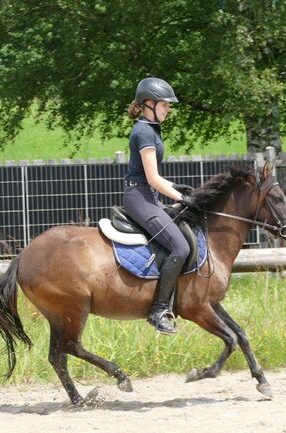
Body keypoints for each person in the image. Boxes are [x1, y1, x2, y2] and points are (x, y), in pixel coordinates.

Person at [123, 77, 197, 335]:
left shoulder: (151, 129)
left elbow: (153, 178)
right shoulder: (144, 131)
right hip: (139, 198)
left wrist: (178, 188)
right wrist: (180, 198)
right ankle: (158, 311)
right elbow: (152, 178)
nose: (168, 109)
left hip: (147, 196)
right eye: (165, 105)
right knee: (180, 246)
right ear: (149, 104)